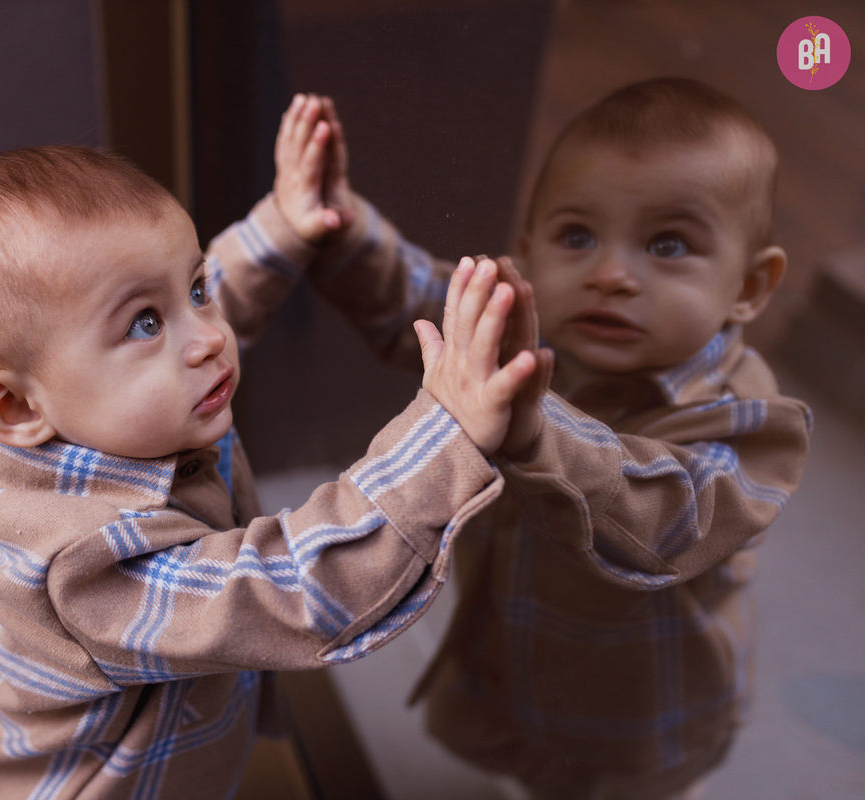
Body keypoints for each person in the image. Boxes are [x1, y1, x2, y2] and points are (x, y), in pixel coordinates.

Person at [0, 144, 543, 799]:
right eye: (144, 323)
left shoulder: (71, 406)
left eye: (197, 290)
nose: (209, 336)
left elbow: (191, 293)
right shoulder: (87, 567)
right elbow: (293, 589)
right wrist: (444, 434)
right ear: (15, 407)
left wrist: (280, 228)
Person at [246, 80, 812, 799]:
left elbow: (671, 517)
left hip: (646, 710)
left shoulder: (748, 418)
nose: (610, 274)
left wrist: (539, 427)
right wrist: (341, 224)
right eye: (577, 236)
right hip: (520, 658)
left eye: (668, 244)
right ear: (530, 250)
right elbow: (424, 297)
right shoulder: (534, 331)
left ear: (750, 285)